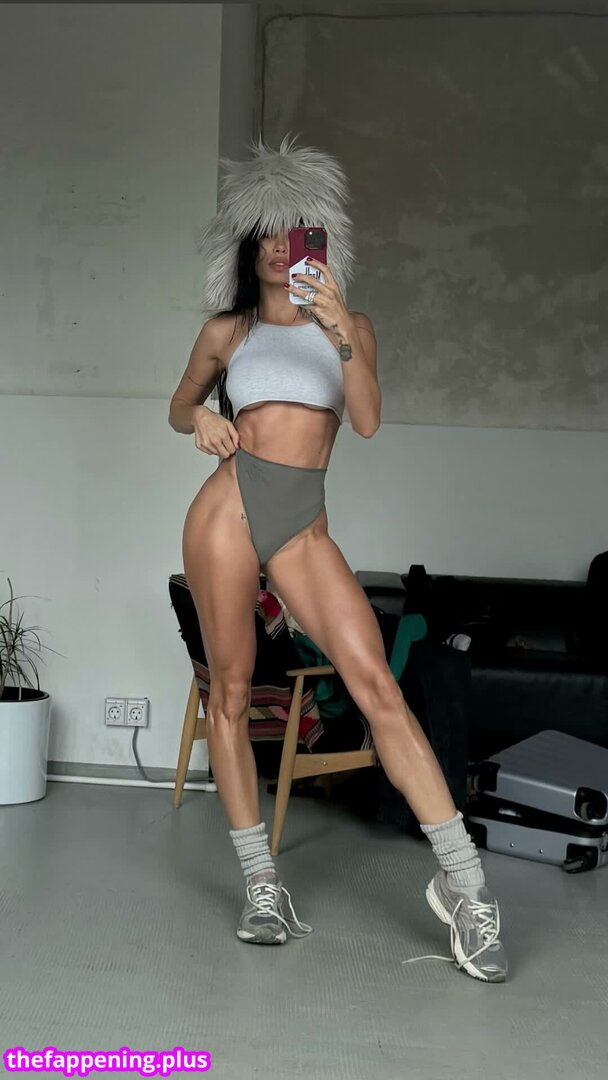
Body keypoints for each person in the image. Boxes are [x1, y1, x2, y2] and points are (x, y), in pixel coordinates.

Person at [168, 136, 508, 983]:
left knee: (378, 688)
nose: (278, 247)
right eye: (265, 233)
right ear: (247, 245)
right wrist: (201, 418)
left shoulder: (349, 328)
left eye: (294, 231)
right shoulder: (228, 331)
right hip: (227, 508)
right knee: (232, 693)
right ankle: (262, 888)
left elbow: (366, 421)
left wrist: (339, 332)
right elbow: (179, 404)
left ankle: (465, 887)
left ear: (317, 241)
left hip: (304, 524)